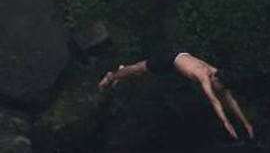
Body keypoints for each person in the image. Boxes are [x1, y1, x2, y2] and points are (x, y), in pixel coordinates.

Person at [98, 50, 254, 140]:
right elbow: (214, 100)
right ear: (215, 78)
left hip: (180, 63)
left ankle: (122, 72)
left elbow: (230, 100)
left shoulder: (220, 76)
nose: (218, 89)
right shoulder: (204, 75)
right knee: (139, 69)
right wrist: (226, 122)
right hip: (171, 59)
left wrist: (247, 124)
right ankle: (112, 76)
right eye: (218, 85)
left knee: (141, 75)